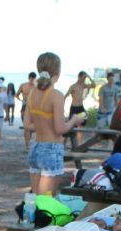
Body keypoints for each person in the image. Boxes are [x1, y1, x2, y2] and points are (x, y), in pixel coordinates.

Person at [23, 52, 84, 196]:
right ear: (58, 71)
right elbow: (59, 129)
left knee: (36, 200)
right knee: (46, 202)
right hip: (51, 148)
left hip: (35, 146)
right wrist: (74, 120)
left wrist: (43, 125)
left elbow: (27, 124)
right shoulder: (56, 95)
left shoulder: (32, 93)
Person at [65, 70, 92, 145]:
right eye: (83, 78)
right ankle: (64, 143)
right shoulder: (73, 86)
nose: (84, 79)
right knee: (71, 126)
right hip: (74, 107)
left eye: (85, 78)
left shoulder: (84, 86)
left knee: (81, 126)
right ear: (79, 77)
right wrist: (62, 108)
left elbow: (94, 85)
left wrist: (88, 77)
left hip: (81, 107)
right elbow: (65, 96)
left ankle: (80, 144)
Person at [16, 72, 37, 149]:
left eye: (33, 79)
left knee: (33, 127)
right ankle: (27, 145)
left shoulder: (37, 86)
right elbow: (16, 94)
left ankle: (30, 143)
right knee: (26, 127)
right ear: (29, 78)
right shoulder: (23, 85)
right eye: (31, 79)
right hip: (25, 106)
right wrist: (22, 100)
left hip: (35, 107)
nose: (32, 80)